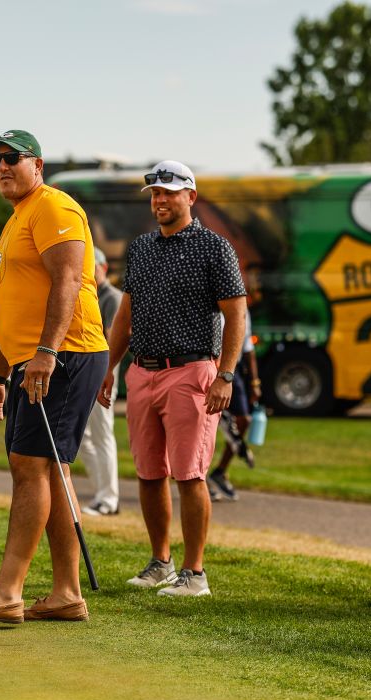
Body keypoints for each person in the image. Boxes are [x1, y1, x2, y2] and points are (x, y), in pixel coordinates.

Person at [0, 130, 108, 624]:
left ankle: (7, 592)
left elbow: (67, 282)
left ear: (38, 163)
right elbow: (17, 306)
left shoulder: (54, 207)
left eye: (12, 159)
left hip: (65, 354)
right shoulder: (18, 218)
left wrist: (45, 352)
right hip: (31, 360)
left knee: (28, 467)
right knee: (47, 470)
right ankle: (65, 594)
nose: (2, 167)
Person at [100, 160, 247, 598]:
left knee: (189, 474)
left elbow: (236, 313)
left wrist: (226, 374)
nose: (160, 200)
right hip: (142, 372)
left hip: (192, 370)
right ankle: (160, 562)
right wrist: (108, 367)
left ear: (190, 197)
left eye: (168, 192)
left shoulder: (214, 247)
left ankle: (194, 573)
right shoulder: (142, 248)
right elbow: (126, 316)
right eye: (155, 194)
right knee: (148, 473)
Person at [80, 247, 122, 516]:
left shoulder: (111, 298)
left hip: (104, 370)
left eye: (93, 267)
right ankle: (101, 492)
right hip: (85, 369)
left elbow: (111, 340)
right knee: (84, 436)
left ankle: (109, 498)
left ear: (103, 268)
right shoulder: (87, 293)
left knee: (101, 433)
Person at [207, 310, 261, 501]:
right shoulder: (207, 299)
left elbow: (248, 348)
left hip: (230, 370)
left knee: (243, 419)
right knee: (206, 427)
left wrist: (255, 383)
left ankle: (219, 471)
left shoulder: (241, 306)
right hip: (207, 366)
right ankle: (200, 476)